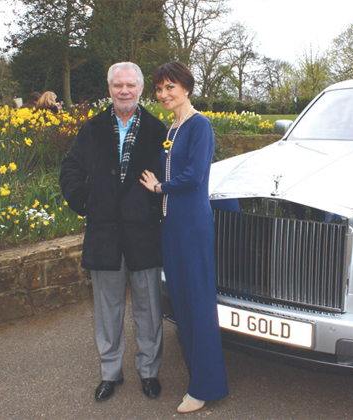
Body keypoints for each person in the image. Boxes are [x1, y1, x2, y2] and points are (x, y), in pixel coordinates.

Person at [60, 62, 167, 402]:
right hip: (104, 234)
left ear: (140, 89)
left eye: (130, 85)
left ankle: (149, 371)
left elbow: (171, 175)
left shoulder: (157, 129)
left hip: (144, 233)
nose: (124, 90)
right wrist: (87, 202)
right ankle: (111, 372)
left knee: (148, 309)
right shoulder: (91, 129)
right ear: (109, 89)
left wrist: (154, 205)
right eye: (118, 85)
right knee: (107, 310)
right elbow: (70, 170)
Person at [140, 61, 228, 414]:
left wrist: (160, 187)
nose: (163, 95)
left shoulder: (199, 125)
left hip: (192, 226)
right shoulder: (172, 127)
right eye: (159, 89)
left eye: (170, 87)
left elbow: (194, 174)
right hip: (171, 226)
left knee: (198, 306)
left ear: (187, 88)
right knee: (181, 305)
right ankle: (198, 379)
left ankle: (207, 386)